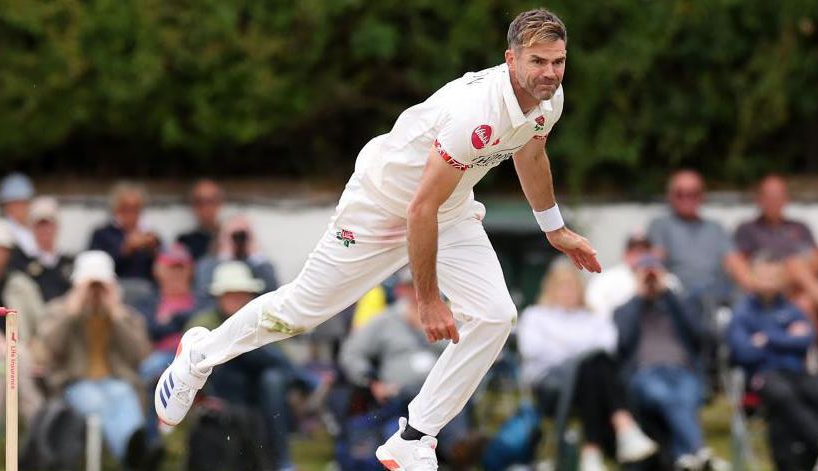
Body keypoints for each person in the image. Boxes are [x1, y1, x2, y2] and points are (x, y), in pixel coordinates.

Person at [155, 9, 600, 470]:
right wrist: (428, 300)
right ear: (510, 59)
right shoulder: (475, 115)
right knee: (301, 312)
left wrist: (555, 229)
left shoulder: (550, 98)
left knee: (495, 315)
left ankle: (413, 437)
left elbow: (531, 151)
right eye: (537, 62)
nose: (549, 73)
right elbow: (417, 210)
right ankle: (199, 355)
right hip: (381, 205)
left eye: (558, 61)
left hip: (447, 208)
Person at [339, 268, 485, 469]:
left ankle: (459, 448)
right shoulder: (384, 321)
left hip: (443, 387)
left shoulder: (451, 317)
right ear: (400, 290)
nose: (419, 292)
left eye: (426, 286)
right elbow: (351, 353)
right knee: (435, 395)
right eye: (412, 286)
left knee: (450, 392)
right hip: (398, 393)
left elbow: (470, 351)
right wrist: (371, 382)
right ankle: (457, 448)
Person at [519, 261, 656, 471]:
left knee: (593, 366)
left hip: (589, 381)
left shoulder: (593, 316)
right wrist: (579, 351)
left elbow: (609, 346)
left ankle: (592, 450)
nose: (567, 292)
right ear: (550, 289)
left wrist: (563, 345)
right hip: (551, 384)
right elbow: (533, 350)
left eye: (572, 286)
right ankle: (623, 428)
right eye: (562, 286)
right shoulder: (535, 315)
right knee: (590, 365)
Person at [39, 251, 158, 470]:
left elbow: (141, 354)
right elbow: (50, 347)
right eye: (89, 285)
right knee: (97, 401)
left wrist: (116, 313)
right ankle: (134, 459)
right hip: (74, 383)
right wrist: (72, 311)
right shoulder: (59, 310)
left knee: (124, 396)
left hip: (115, 381)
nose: (94, 291)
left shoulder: (123, 314)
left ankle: (135, 451)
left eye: (100, 285)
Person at [614, 254, 725, 470]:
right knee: (666, 396)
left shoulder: (677, 305)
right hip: (645, 374)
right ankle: (697, 449)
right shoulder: (625, 309)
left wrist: (668, 294)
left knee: (684, 396)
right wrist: (639, 296)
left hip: (683, 371)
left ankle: (684, 458)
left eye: (655, 273)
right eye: (645, 274)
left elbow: (699, 336)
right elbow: (622, 343)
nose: (651, 279)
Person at [186, 261, 297, 471]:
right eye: (232, 294)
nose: (238, 299)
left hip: (260, 390)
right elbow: (194, 361)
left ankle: (282, 460)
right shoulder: (203, 321)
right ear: (220, 296)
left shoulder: (265, 319)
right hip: (222, 390)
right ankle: (308, 382)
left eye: (243, 293)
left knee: (272, 378)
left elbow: (284, 359)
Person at [727, 253, 818, 470]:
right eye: (764, 276)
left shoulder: (790, 308)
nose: (769, 281)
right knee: (782, 395)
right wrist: (786, 337)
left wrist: (766, 338)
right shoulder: (743, 311)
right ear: (753, 277)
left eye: (774, 276)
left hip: (795, 372)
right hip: (761, 376)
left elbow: (805, 339)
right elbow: (743, 353)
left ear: (782, 279)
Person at [729, 174, 818, 318]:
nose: (773, 201)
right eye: (768, 196)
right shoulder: (747, 229)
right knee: (795, 266)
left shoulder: (800, 227)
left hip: (802, 286)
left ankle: (810, 341)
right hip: (768, 285)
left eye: (778, 196)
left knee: (805, 303)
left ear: (787, 199)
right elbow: (741, 267)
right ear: (758, 200)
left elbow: (817, 261)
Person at [648, 170, 736, 305]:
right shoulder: (660, 225)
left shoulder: (715, 228)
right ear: (670, 196)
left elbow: (736, 264)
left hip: (715, 300)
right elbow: (655, 261)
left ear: (702, 196)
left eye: (693, 194)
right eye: (680, 194)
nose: (686, 198)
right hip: (678, 301)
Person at [137, 243, 197, 442]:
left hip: (192, 359)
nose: (176, 274)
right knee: (152, 369)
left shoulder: (198, 299)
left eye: (181, 268)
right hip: (158, 361)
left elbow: (197, 324)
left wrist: (172, 319)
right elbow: (150, 330)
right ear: (159, 271)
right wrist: (177, 322)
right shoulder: (149, 299)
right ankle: (152, 442)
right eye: (171, 268)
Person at [0, 218, 43, 435]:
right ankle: (35, 427)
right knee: (10, 360)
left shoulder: (21, 284)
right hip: (2, 356)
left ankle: (36, 434)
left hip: (20, 353)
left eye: (1, 249)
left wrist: (37, 348)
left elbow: (41, 322)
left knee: (16, 358)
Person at [193, 214, 278, 310]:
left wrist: (255, 255)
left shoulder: (259, 265)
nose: (239, 240)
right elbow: (204, 299)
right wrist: (226, 256)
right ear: (222, 236)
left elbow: (272, 295)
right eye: (234, 236)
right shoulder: (207, 264)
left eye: (244, 236)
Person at [586, 232, 681, 318]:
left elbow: (682, 314)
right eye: (635, 251)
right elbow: (596, 314)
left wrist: (664, 289)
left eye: (645, 250)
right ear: (625, 254)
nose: (640, 255)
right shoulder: (605, 280)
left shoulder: (667, 279)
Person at [89, 182, 160, 283]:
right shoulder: (101, 234)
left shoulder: (149, 234)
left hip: (146, 288)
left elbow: (162, 270)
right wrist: (125, 250)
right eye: (126, 209)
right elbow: (95, 268)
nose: (131, 214)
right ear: (115, 209)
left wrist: (153, 251)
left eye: (135, 209)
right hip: (113, 287)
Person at [9, 196, 74, 302]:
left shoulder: (71, 262)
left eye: (48, 224)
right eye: (39, 225)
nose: (45, 230)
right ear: (31, 228)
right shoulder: (21, 263)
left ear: (57, 226)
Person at [177, 179, 224, 261]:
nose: (206, 207)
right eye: (199, 202)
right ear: (192, 206)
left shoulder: (233, 237)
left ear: (220, 203)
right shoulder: (184, 241)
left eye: (211, 201)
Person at [0, 172, 38, 257]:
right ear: (6, 206)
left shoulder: (32, 229)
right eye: (17, 203)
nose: (21, 208)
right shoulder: (0, 230)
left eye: (24, 203)